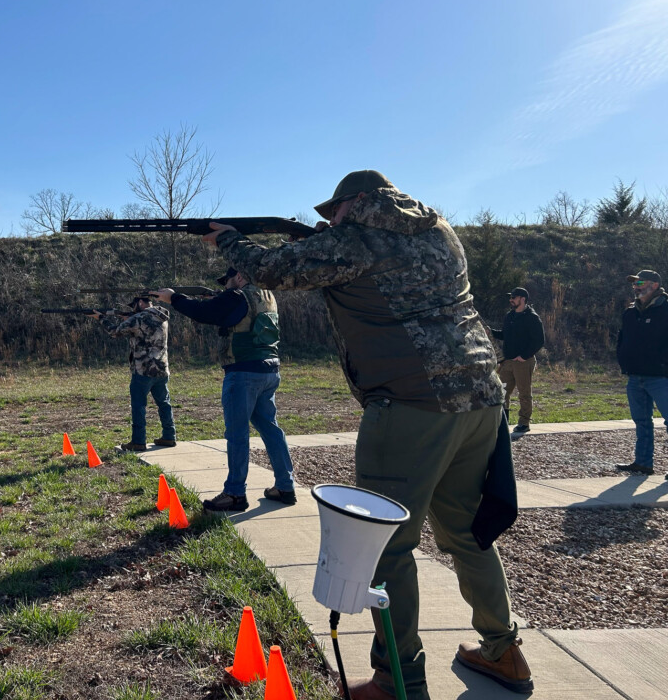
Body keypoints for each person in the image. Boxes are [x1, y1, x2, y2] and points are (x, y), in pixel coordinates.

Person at [204, 170, 531, 699]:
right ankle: (503, 650)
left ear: (356, 202)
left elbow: (271, 270)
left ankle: (397, 681)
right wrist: (318, 239)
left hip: (411, 403)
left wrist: (228, 240)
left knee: (385, 546)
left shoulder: (357, 238)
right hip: (479, 397)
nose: (329, 220)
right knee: (467, 533)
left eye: (333, 211)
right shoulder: (439, 229)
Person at [151, 268, 296, 511]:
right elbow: (234, 315)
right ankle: (285, 486)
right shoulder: (267, 296)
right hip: (269, 370)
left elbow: (203, 313)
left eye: (227, 281)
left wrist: (173, 298)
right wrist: (217, 300)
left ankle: (235, 493)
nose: (226, 286)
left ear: (239, 276)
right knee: (271, 430)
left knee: (237, 434)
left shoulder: (237, 296)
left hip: (243, 372)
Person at [89, 295, 176, 452]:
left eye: (133, 306)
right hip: (161, 368)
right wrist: (128, 319)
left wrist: (100, 318)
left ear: (140, 303)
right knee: (164, 403)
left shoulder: (138, 318)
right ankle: (169, 436)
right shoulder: (162, 316)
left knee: (138, 405)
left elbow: (114, 332)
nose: (132, 309)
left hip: (143, 369)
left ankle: (138, 441)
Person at [615, 269, 668, 476]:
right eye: (634, 284)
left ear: (654, 285)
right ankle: (643, 463)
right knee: (642, 422)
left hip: (661, 377)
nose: (635, 287)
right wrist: (623, 360)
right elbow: (622, 339)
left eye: (639, 283)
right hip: (635, 376)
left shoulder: (665, 309)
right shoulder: (630, 312)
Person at [490, 287, 545, 441]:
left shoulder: (532, 318)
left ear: (523, 299)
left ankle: (524, 423)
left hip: (523, 363)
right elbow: (504, 335)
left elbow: (539, 340)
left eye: (513, 297)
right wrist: (491, 332)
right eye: (511, 297)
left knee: (524, 393)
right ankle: (502, 422)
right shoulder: (510, 316)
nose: (511, 300)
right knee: (501, 391)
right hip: (507, 362)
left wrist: (524, 356)